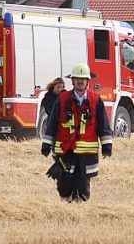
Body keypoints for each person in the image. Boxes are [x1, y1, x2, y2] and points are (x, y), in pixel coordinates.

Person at [41, 64, 113, 202]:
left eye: (83, 79)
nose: (80, 81)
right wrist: (46, 145)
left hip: (86, 154)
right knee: (64, 185)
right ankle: (66, 207)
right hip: (65, 151)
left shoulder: (96, 101)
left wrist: (107, 146)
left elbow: (103, 125)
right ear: (72, 81)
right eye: (77, 78)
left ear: (88, 81)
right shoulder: (62, 100)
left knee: (82, 186)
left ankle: (80, 211)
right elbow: (52, 124)